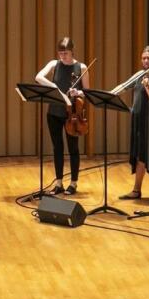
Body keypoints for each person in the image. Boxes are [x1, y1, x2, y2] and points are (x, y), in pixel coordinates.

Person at [34, 37, 88, 195]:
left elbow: (87, 91)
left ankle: (73, 183)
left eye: (66, 53)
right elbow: (38, 77)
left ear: (72, 51)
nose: (62, 56)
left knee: (73, 148)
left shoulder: (81, 67)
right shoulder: (53, 64)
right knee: (57, 147)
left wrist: (78, 92)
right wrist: (55, 88)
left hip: (72, 114)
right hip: (54, 112)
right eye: (60, 53)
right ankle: (58, 182)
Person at [115, 46, 149, 204]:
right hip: (139, 121)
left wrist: (147, 85)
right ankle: (136, 190)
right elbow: (124, 86)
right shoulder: (140, 74)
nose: (145, 61)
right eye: (143, 58)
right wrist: (107, 95)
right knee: (140, 157)